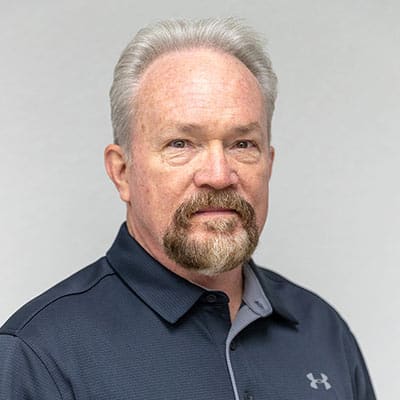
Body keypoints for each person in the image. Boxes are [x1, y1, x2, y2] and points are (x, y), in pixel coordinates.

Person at [0, 18, 376, 400]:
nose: (219, 175)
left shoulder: (323, 332)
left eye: (243, 144)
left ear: (269, 163)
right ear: (122, 172)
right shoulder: (38, 355)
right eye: (180, 144)